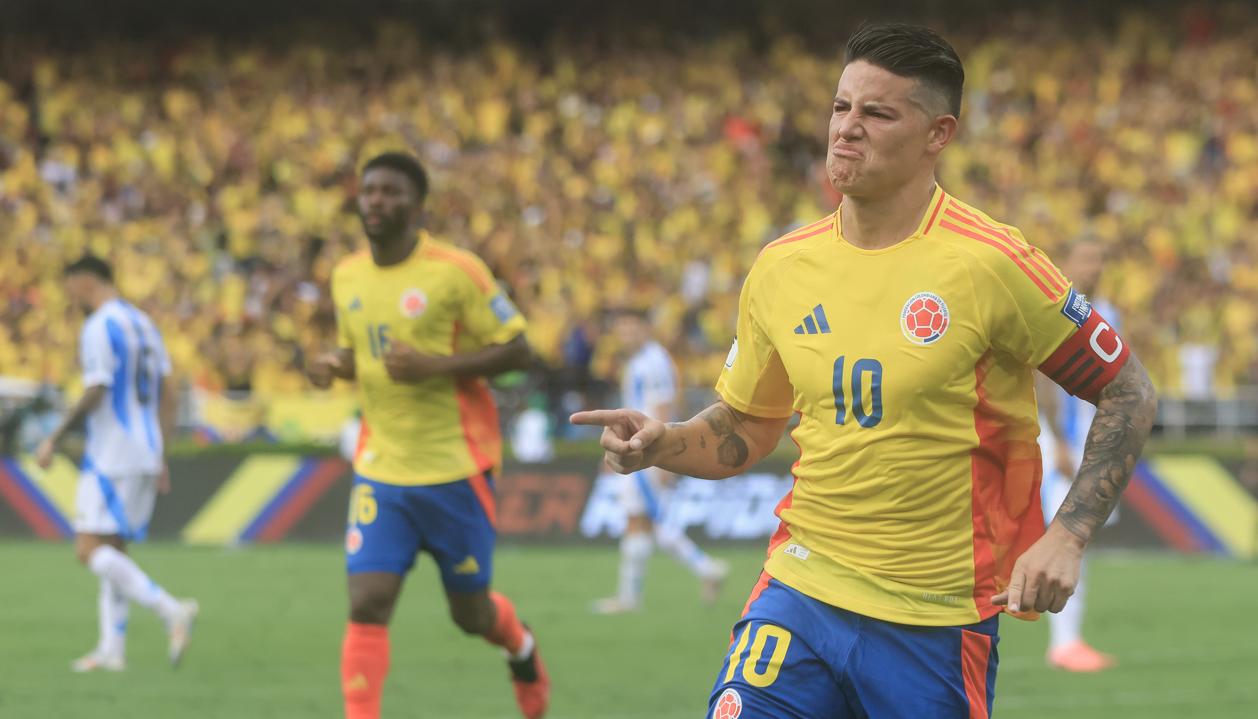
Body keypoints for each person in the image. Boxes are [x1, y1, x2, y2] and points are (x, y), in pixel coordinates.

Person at [572, 23, 1157, 718]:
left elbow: (1128, 389)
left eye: (876, 113)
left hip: (934, 621)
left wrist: (1067, 534)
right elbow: (745, 426)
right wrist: (661, 441)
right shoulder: (783, 267)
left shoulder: (992, 263)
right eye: (841, 107)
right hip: (799, 591)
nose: (847, 129)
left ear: (938, 134)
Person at [307, 152, 549, 719]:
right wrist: (333, 365)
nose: (376, 202)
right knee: (368, 602)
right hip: (382, 466)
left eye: (390, 192)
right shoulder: (347, 275)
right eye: (369, 191)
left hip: (455, 469)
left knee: (470, 616)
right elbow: (361, 353)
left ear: (417, 206)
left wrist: (435, 366)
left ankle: (522, 647)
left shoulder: (455, 270)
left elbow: (519, 349)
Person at [36, 255, 199, 672]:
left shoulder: (99, 325)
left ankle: (169, 609)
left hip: (113, 453)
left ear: (86, 281)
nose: (70, 296)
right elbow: (169, 391)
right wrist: (162, 451)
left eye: (72, 286)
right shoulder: (144, 323)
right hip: (144, 449)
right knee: (114, 550)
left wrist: (54, 437)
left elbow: (96, 388)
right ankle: (112, 650)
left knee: (87, 548)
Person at [592, 309, 728, 615]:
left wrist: (663, 454)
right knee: (644, 521)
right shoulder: (642, 361)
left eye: (631, 326)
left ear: (645, 328)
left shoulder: (653, 362)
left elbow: (664, 408)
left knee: (645, 521)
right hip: (636, 448)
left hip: (646, 451)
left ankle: (703, 571)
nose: (625, 333)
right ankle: (702, 572)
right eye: (621, 327)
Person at [1035, 238, 1120, 672]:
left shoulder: (1109, 311)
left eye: (1100, 256)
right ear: (1067, 262)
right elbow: (1044, 378)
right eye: (1087, 256)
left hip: (1088, 449)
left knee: (1072, 540)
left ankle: (1067, 639)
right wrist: (1060, 441)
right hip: (1059, 450)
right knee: (1069, 539)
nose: (1095, 264)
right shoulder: (1060, 307)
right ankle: (1065, 643)